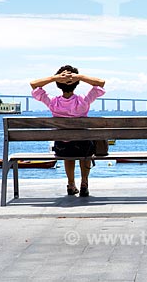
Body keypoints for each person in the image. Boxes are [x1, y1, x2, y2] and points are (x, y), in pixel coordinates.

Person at [30, 65, 105, 197]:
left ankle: (71, 184)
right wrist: (78, 77)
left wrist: (55, 78)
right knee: (85, 145)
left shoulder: (53, 102)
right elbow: (101, 83)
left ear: (58, 84)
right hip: (84, 147)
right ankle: (84, 183)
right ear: (77, 84)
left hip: (62, 148)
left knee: (66, 142)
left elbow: (33, 85)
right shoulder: (83, 101)